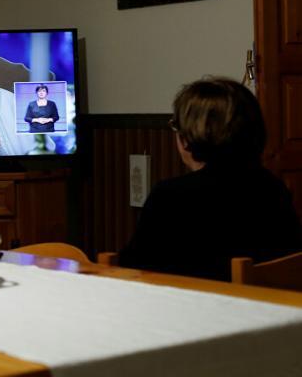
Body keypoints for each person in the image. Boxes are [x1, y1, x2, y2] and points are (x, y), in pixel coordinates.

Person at [119, 77, 302, 281]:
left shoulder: (171, 196)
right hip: (276, 308)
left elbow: (132, 270)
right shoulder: (273, 187)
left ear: (186, 138)